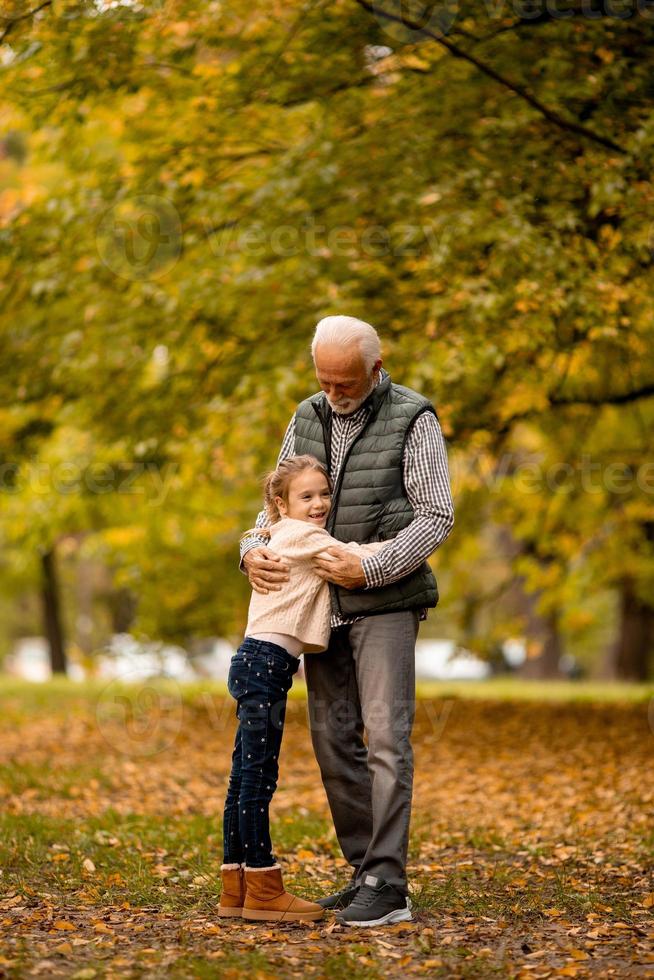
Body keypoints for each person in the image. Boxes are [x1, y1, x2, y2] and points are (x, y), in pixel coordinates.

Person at [241, 315, 454, 927]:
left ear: (376, 370)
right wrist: (249, 550)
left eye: (347, 384)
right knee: (333, 740)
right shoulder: (306, 414)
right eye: (326, 382)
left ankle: (390, 881)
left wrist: (373, 568)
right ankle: (366, 872)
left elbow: (436, 514)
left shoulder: (414, 419)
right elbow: (275, 506)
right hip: (319, 606)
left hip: (384, 599)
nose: (334, 395)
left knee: (386, 737)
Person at [219, 454, 386, 923]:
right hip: (267, 663)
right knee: (257, 778)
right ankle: (264, 885)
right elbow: (355, 555)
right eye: (306, 496)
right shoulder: (305, 536)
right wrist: (401, 546)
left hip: (254, 661)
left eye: (324, 494)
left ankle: (236, 888)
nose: (319, 504)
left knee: (243, 777)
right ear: (281, 503)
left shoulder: (274, 534)